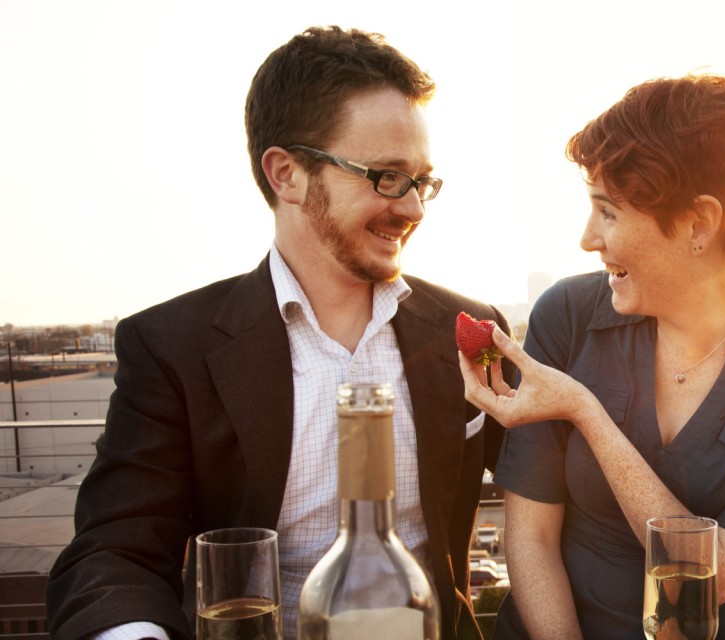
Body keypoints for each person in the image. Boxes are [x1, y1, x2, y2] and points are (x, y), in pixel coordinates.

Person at [46, 26, 511, 640]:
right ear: (286, 174)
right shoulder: (171, 347)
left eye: (422, 181)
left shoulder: (468, 331)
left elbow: (558, 504)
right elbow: (114, 552)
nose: (414, 208)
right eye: (387, 177)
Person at [459, 75, 725, 638]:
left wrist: (585, 411)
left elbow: (709, 579)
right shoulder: (568, 314)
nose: (587, 238)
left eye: (608, 211)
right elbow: (529, 537)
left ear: (698, 224)